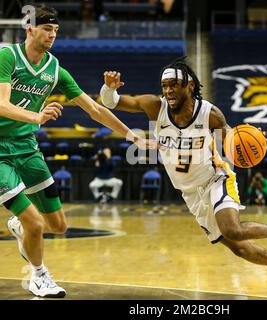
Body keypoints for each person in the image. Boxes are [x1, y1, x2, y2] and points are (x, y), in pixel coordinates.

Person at [99, 57, 267, 295]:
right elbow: (113, 102)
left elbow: (233, 141)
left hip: (216, 179)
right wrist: (109, 88)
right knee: (239, 248)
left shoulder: (210, 114)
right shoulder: (154, 106)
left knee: (232, 229)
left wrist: (253, 137)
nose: (168, 90)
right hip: (190, 193)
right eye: (165, 85)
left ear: (189, 86)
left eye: (174, 85)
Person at [0, 4, 155, 298]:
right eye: (47, 29)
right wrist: (37, 117)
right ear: (30, 28)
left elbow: (95, 108)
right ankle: (39, 276)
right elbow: (1, 103)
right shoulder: (7, 56)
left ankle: (19, 227)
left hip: (26, 149)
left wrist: (132, 135)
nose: (52, 35)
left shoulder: (55, 70)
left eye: (56, 30)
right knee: (34, 222)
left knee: (57, 226)